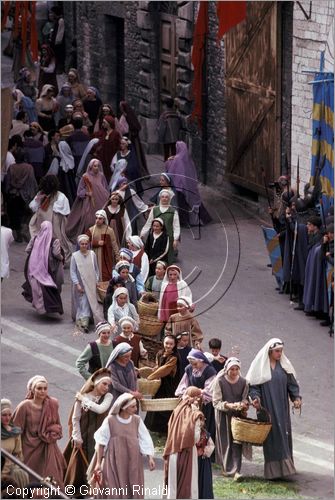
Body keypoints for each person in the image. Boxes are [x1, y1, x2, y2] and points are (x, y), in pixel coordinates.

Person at [246, 338, 302, 479]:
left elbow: (292, 384)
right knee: (271, 438)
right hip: (267, 408)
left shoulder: (284, 367)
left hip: (282, 408)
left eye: (281, 351)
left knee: (284, 434)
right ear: (270, 351)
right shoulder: (260, 367)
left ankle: (286, 469)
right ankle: (273, 472)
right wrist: (256, 399)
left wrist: (296, 398)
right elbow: (254, 387)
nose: (279, 354)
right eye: (277, 351)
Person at [87, 393, 155, 498]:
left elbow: (145, 439)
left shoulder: (137, 420)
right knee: (113, 488)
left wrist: (150, 457)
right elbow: (101, 442)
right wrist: (98, 463)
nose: (136, 409)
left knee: (133, 485)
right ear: (123, 408)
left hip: (133, 460)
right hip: (114, 461)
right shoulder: (110, 421)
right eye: (133, 407)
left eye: (136, 406)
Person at [12, 375, 66, 488]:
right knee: (30, 478)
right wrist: (15, 451)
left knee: (53, 478)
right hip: (29, 448)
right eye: (39, 388)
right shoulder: (24, 406)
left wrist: (53, 431)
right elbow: (16, 430)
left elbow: (57, 424)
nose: (42, 391)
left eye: (45, 388)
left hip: (48, 447)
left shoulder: (53, 404)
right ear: (32, 389)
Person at [63, 369, 113, 491]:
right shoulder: (83, 396)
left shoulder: (108, 396)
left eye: (108, 385)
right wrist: (77, 437)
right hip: (84, 435)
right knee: (79, 466)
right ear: (96, 383)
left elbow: (101, 409)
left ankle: (97, 488)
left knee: (98, 462)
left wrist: (83, 399)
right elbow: (75, 419)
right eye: (104, 384)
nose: (107, 387)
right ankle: (78, 490)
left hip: (100, 436)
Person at [163, 386, 205, 499]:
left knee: (173, 485)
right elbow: (195, 437)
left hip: (173, 449)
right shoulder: (195, 414)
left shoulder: (177, 410)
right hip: (188, 451)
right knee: (189, 484)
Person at [212, 357, 250, 481]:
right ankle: (226, 468)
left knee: (237, 442)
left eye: (236, 369)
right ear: (226, 369)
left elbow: (245, 398)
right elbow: (216, 401)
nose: (234, 372)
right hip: (223, 415)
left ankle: (236, 470)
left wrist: (243, 404)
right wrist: (228, 405)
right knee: (225, 441)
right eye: (231, 369)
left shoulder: (244, 382)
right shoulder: (220, 381)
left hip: (237, 416)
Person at [28, 175, 73, 265]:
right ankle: (44, 258)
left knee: (54, 238)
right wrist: (39, 199)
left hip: (52, 220)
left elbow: (61, 209)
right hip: (44, 220)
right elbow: (33, 206)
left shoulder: (59, 195)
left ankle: (54, 258)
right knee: (47, 238)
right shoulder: (42, 194)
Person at [22, 221, 64, 315]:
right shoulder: (54, 241)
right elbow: (56, 253)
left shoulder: (35, 238)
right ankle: (46, 307)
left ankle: (38, 306)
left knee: (36, 287)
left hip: (33, 266)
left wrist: (36, 255)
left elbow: (28, 249)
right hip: (48, 267)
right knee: (47, 287)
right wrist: (62, 258)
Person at [165, 141, 211, 226]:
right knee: (194, 201)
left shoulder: (176, 159)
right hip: (190, 185)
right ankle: (204, 219)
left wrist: (169, 161)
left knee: (182, 205)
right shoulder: (187, 158)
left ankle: (184, 222)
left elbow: (170, 171)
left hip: (180, 187)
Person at [176, 349, 217, 443]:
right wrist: (184, 395)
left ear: (201, 361)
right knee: (191, 428)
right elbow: (183, 384)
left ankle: (205, 455)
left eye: (195, 364)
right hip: (191, 403)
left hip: (205, 405)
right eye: (191, 363)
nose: (193, 366)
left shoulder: (210, 371)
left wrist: (198, 394)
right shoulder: (189, 368)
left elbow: (210, 390)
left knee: (204, 428)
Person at [66, 159, 110, 243]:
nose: (97, 168)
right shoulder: (85, 176)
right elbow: (79, 191)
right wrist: (86, 193)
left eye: (98, 166)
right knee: (89, 220)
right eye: (95, 166)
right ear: (90, 166)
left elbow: (105, 188)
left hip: (100, 201)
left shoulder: (101, 176)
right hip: (89, 203)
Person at [144, 334, 180, 434]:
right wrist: (154, 369)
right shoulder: (160, 353)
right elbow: (158, 366)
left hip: (168, 385)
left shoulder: (174, 357)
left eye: (171, 344)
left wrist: (150, 377)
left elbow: (164, 370)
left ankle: (165, 430)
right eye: (166, 343)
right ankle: (153, 428)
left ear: (174, 345)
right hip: (159, 383)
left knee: (165, 407)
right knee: (155, 404)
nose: (168, 346)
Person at [70, 234, 103, 333]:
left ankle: (90, 319)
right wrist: (77, 284)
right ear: (79, 244)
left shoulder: (92, 254)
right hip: (80, 284)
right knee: (83, 302)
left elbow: (96, 269)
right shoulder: (75, 256)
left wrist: (96, 281)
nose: (84, 246)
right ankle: (84, 322)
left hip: (91, 283)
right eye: (82, 244)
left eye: (86, 244)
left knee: (91, 302)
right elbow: (73, 272)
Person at [4, 148, 38, 243]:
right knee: (26, 215)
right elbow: (32, 182)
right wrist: (33, 195)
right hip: (26, 196)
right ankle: (24, 233)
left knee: (15, 216)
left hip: (14, 195)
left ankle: (18, 235)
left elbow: (8, 183)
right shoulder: (29, 167)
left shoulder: (11, 167)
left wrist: (7, 193)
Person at [140, 189, 180, 264]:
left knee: (167, 259)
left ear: (169, 199)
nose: (164, 198)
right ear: (160, 198)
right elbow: (148, 223)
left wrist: (175, 239)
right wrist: (143, 233)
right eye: (163, 197)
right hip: (156, 237)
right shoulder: (155, 210)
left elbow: (176, 227)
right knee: (154, 256)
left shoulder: (173, 211)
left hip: (168, 238)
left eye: (166, 197)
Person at [1, 399, 29, 488]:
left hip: (9, 470)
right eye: (4, 415)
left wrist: (16, 468)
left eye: (9, 415)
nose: (7, 418)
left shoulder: (14, 432)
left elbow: (18, 453)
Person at [86, 209, 120, 282]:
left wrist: (118, 258)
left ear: (104, 219)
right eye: (96, 218)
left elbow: (114, 244)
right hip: (94, 257)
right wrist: (96, 243)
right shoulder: (91, 230)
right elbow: (84, 243)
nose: (97, 220)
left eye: (100, 218)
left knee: (106, 276)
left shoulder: (109, 230)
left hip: (106, 258)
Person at [119, 101, 149, 178]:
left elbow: (136, 127)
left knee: (135, 155)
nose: (120, 109)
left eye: (121, 107)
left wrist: (130, 133)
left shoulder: (129, 116)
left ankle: (138, 172)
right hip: (126, 138)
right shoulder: (124, 116)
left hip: (132, 139)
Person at [94, 116, 121, 184]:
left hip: (111, 156)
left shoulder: (115, 134)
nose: (103, 124)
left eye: (104, 122)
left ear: (109, 123)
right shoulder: (102, 133)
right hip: (103, 157)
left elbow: (118, 146)